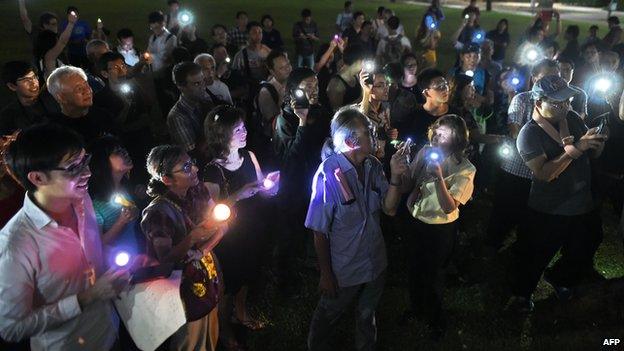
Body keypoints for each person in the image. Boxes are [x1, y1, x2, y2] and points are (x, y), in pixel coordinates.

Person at [0, 123, 130, 350]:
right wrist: (86, 297)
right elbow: (11, 327)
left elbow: (86, 256)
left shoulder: (82, 201)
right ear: (38, 178)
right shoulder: (16, 244)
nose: (87, 172)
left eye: (85, 161)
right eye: (73, 167)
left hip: (110, 330)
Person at [305, 107, 408, 351]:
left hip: (375, 261)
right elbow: (319, 230)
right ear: (351, 141)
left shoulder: (372, 165)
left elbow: (390, 209)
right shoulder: (329, 174)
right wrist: (326, 274)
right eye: (369, 132)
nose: (375, 135)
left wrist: (395, 175)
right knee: (327, 316)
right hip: (345, 269)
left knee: (367, 314)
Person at [508, 75, 607, 311]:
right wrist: (578, 148)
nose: (565, 106)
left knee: (587, 243)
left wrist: (596, 143)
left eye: (567, 100)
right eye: (558, 102)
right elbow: (543, 174)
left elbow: (591, 155)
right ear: (538, 103)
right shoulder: (529, 134)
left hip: (582, 203)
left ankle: (562, 278)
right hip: (549, 209)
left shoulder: (571, 117)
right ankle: (521, 296)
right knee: (536, 255)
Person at [202, 106, 274, 350]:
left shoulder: (250, 156)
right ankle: (225, 329)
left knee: (248, 274)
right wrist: (238, 194)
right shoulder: (213, 171)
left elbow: (261, 188)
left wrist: (269, 188)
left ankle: (241, 313)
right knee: (228, 285)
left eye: (244, 127)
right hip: (230, 236)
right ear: (222, 135)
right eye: (238, 129)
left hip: (254, 228)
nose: (244, 132)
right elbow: (211, 212)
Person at [141, 144, 225, 351]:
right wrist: (192, 239)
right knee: (190, 338)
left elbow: (221, 224)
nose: (195, 169)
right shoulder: (157, 213)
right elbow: (165, 261)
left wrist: (203, 250)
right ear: (167, 179)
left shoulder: (197, 190)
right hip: (182, 290)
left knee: (211, 328)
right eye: (186, 168)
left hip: (208, 273)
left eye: (192, 163)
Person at [400, 114, 476, 339]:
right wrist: (403, 167)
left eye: (444, 134)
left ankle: (435, 318)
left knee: (433, 275)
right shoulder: (425, 152)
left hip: (440, 228)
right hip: (417, 220)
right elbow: (409, 182)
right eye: (436, 131)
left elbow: (449, 207)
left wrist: (439, 178)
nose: (437, 137)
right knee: (414, 269)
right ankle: (415, 308)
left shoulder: (465, 168)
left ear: (458, 138)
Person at [484, 59, 562, 251]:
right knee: (504, 211)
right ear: (535, 78)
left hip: (540, 176)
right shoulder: (522, 100)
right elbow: (515, 131)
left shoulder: (562, 104)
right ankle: (492, 245)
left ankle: (520, 248)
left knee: (531, 218)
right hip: (515, 171)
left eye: (556, 78)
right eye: (546, 77)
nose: (552, 83)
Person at [273, 68, 331, 294]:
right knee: (290, 232)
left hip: (317, 182)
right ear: (293, 91)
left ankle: (312, 265)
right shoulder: (285, 119)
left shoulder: (321, 112)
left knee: (315, 227)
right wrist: (302, 123)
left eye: (316, 86)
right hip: (294, 187)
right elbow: (290, 159)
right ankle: (284, 279)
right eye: (308, 88)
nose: (314, 91)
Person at [88, 135, 142, 253]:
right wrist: (122, 221)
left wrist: (135, 212)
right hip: (116, 266)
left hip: (137, 256)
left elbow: (134, 216)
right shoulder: (95, 205)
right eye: (117, 152)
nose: (125, 153)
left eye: (123, 149)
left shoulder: (124, 188)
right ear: (103, 163)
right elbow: (99, 243)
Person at [47, 66, 113, 143]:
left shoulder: (103, 116)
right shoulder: (54, 131)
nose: (88, 91)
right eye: (79, 88)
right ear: (61, 97)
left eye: (86, 85)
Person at [167, 62, 214, 164]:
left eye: (203, 81)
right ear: (181, 87)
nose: (203, 87)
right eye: (196, 84)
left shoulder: (205, 101)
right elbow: (195, 153)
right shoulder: (177, 116)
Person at [400, 69, 456, 149]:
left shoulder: (455, 114)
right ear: (426, 92)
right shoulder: (415, 118)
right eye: (439, 87)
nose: (445, 89)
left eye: (446, 85)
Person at [0, 61, 59, 135]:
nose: (34, 83)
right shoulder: (8, 116)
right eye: (26, 80)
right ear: (12, 86)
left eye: (34, 77)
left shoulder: (54, 100)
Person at [353, 66, 397, 160]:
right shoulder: (356, 111)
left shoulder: (386, 108)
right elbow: (362, 119)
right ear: (370, 87)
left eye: (387, 84)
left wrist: (390, 134)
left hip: (382, 159)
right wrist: (366, 92)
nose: (386, 89)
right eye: (380, 85)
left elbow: (385, 133)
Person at [257, 50, 292, 139]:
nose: (288, 69)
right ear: (272, 71)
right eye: (282, 68)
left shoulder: (294, 82)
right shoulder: (266, 92)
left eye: (288, 64)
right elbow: (273, 124)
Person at [33, 11, 77, 82]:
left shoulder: (47, 57)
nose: (56, 26)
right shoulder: (49, 58)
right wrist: (71, 24)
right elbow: (62, 42)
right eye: (53, 24)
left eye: (56, 24)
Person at [390, 53, 425, 133]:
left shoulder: (422, 84)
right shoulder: (396, 85)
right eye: (408, 65)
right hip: (399, 125)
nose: (412, 67)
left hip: (416, 123)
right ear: (402, 66)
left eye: (414, 64)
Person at [326, 45, 363, 111]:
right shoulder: (336, 84)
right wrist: (359, 102)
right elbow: (336, 111)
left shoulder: (356, 76)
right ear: (358, 62)